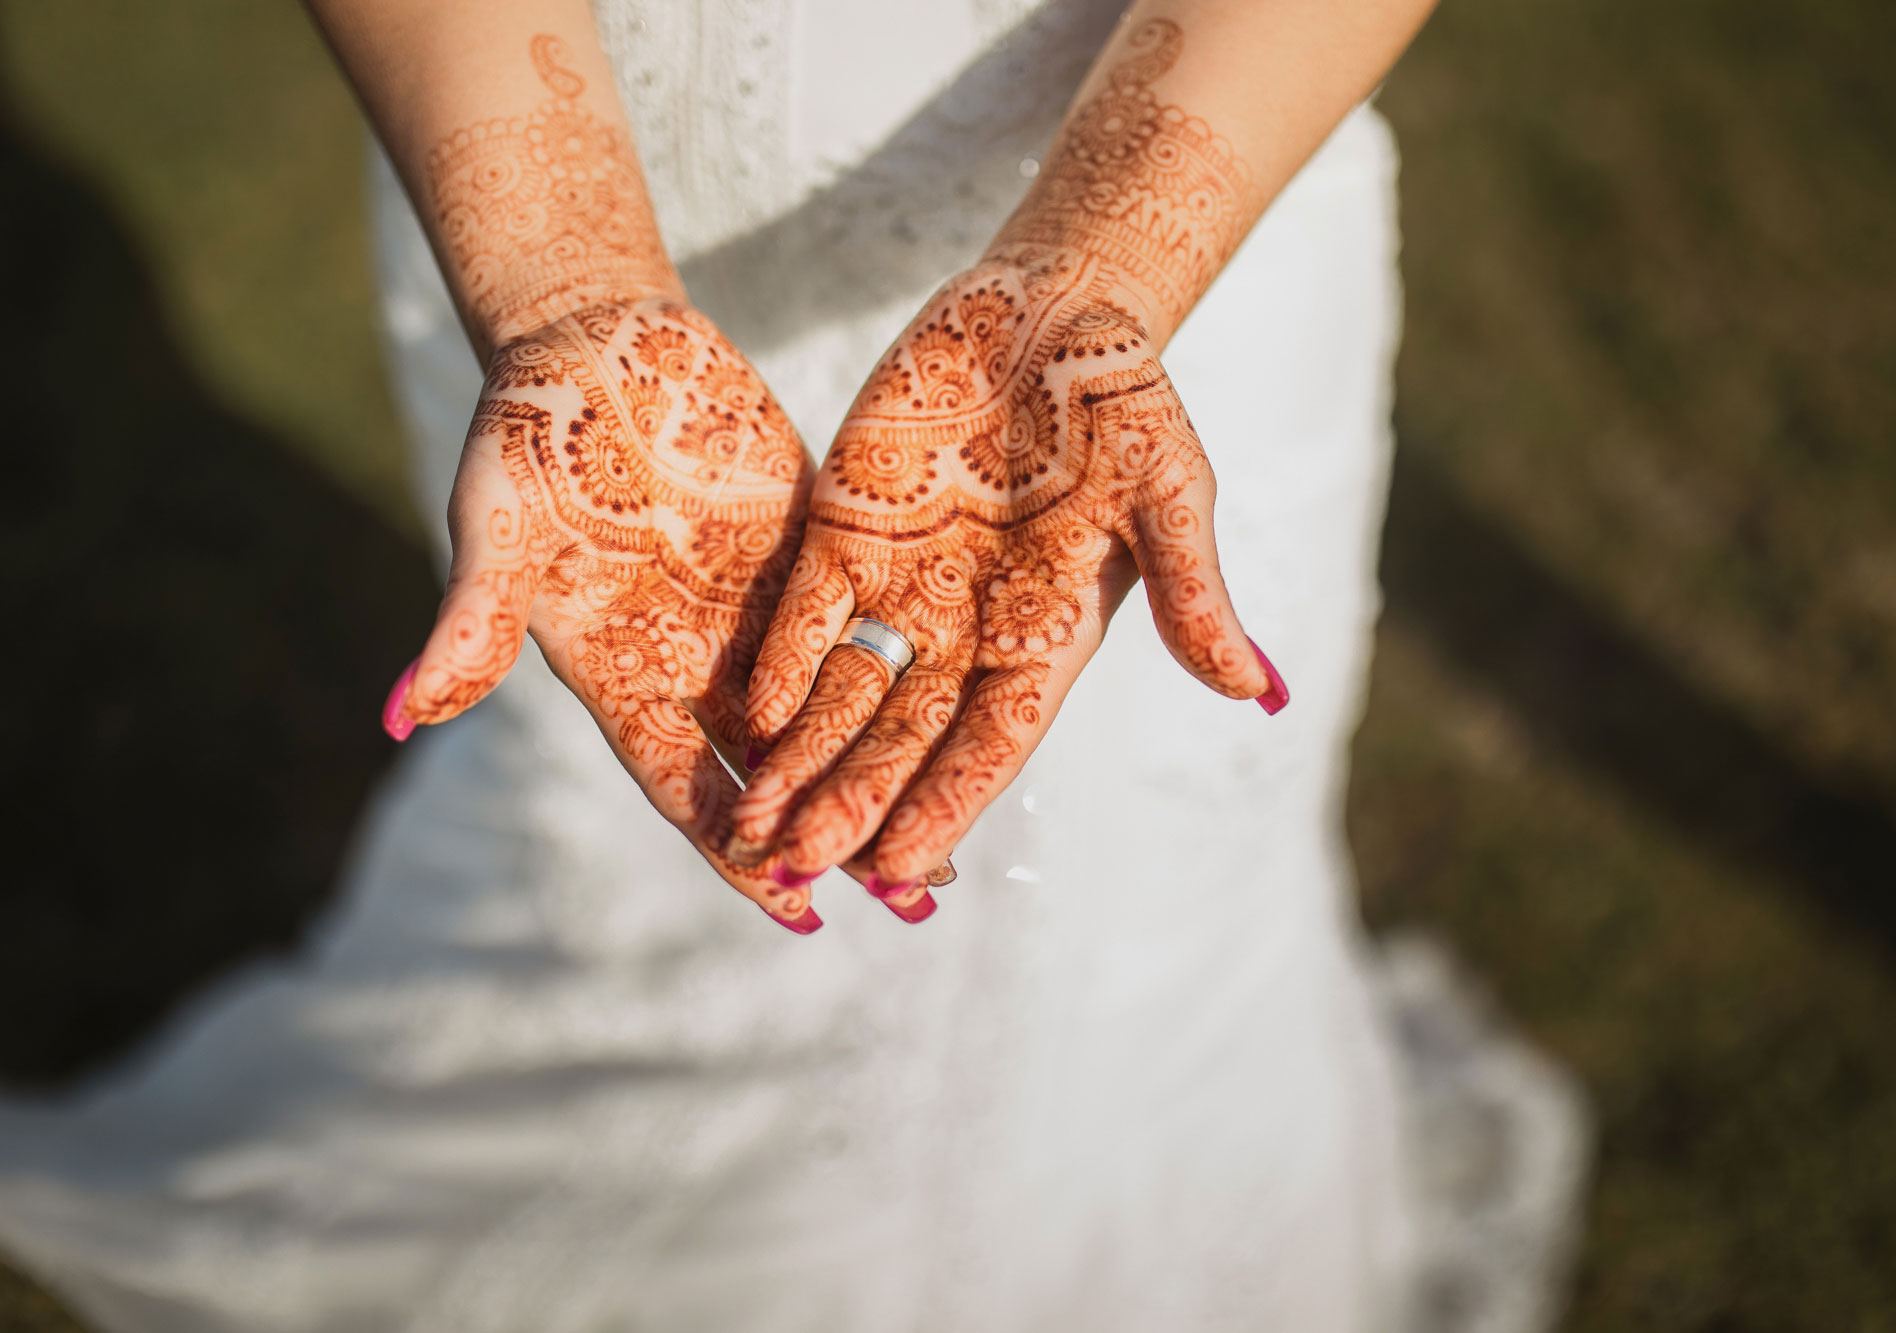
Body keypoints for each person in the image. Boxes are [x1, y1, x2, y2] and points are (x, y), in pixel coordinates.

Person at [0, 2, 1586, 1328]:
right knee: (625, 857)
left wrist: (1103, 269)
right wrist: (560, 285)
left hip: (1184, 214)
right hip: (537, 177)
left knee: (1136, 913)